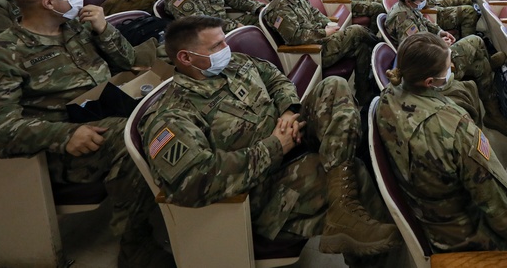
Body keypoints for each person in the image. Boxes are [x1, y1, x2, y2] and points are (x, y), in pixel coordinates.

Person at [139, 16, 401, 259]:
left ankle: (342, 203)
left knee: (334, 86)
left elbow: (276, 78)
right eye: (217, 45)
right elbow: (194, 181)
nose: (225, 48)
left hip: (289, 134)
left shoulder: (235, 63)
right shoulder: (171, 115)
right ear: (186, 57)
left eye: (224, 40)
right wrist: (275, 147)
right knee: (357, 173)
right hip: (262, 185)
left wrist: (288, 109)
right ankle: (365, 242)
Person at [0, 0, 163, 267]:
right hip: (58, 148)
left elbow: (129, 62)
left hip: (102, 113)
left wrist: (104, 30)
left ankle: (188, 214)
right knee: (134, 138)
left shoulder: (76, 29)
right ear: (50, 3)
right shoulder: (1, 54)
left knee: (168, 116)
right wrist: (62, 135)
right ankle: (139, 248)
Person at [377, 33, 507, 267]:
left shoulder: (388, 97)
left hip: (437, 222)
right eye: (448, 66)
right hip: (479, 244)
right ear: (430, 82)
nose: (452, 68)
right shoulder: (456, 130)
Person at [385, 0, 507, 138]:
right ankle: (493, 111)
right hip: (429, 69)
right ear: (409, 1)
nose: (424, 3)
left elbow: (425, 24)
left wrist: (440, 32)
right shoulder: (402, 19)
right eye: (421, 0)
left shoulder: (408, 8)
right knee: (476, 42)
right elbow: (417, 55)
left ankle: (492, 112)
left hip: (432, 53)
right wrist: (441, 45)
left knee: (479, 64)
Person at [265, 0, 381, 105]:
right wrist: (324, 32)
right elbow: (295, 37)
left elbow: (315, 14)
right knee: (356, 30)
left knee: (361, 46)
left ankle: (364, 92)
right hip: (314, 51)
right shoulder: (279, 8)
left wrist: (328, 24)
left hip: (323, 40)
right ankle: (379, 45)